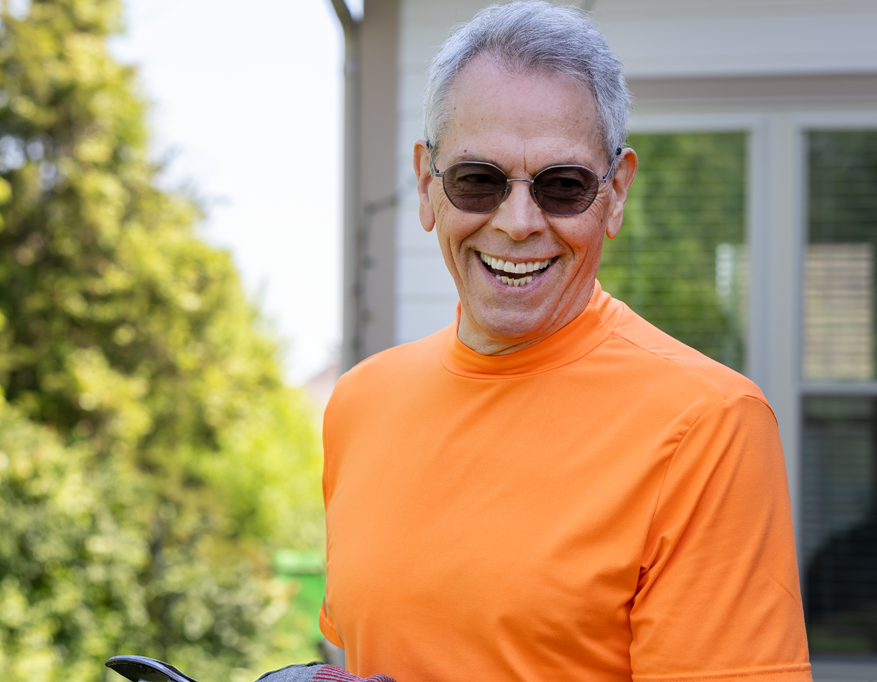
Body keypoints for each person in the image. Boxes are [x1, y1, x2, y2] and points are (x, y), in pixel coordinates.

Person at [318, 2, 812, 681]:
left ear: (614, 195)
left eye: (562, 186)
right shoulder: (361, 403)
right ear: (428, 185)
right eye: (478, 180)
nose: (518, 223)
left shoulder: (707, 427)